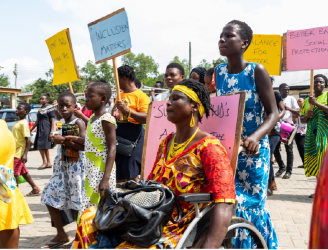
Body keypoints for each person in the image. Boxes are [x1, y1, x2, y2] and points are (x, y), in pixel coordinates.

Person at [73, 79, 236, 249]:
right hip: (151, 214)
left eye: (176, 98)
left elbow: (225, 202)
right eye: (169, 98)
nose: (168, 103)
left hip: (178, 223)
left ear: (194, 106)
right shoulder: (166, 143)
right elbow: (152, 184)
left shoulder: (209, 147)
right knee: (89, 217)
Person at [215, 20, 279, 248]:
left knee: (250, 206)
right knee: (228, 203)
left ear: (244, 43)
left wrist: (255, 138)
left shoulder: (256, 70)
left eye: (228, 36)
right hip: (227, 152)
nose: (222, 39)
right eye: (221, 35)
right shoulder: (219, 72)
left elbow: (274, 113)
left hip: (253, 152)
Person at [41, 92, 86, 248]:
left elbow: (85, 145)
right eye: (61, 106)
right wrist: (56, 139)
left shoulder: (78, 122)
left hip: (76, 169)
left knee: (77, 203)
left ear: (75, 106)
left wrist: (65, 141)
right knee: (48, 195)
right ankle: (61, 234)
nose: (64, 108)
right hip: (62, 168)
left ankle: (80, 238)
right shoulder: (61, 122)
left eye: (68, 105)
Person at [0, 107, 34, 248]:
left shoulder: (22, 123)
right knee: (4, 203)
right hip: (1, 135)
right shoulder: (6, 124)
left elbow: (27, 140)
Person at [80, 81, 117, 214]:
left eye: (90, 96)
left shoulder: (107, 119)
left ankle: (95, 233)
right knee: (89, 203)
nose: (86, 99)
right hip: (90, 169)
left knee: (98, 205)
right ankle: (87, 233)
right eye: (86, 96)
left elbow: (112, 148)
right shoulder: (91, 119)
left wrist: (105, 179)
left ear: (103, 99)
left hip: (101, 169)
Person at [300, 74, 328, 198]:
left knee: (325, 162)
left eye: (321, 82)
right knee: (317, 163)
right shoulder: (307, 101)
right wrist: (307, 116)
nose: (318, 84)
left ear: (325, 85)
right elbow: (302, 120)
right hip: (312, 136)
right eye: (316, 82)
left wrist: (317, 104)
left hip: (326, 135)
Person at [111, 65, 150, 182]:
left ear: (123, 78)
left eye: (116, 78)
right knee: (118, 174)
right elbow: (114, 114)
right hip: (119, 136)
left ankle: (136, 197)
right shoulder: (119, 95)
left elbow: (147, 118)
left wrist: (128, 111)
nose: (115, 82)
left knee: (131, 174)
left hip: (134, 137)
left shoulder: (141, 96)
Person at [12, 103, 41, 196]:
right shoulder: (19, 122)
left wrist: (25, 154)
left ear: (26, 112)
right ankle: (35, 188)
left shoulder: (23, 124)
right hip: (15, 151)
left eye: (19, 108)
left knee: (14, 173)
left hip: (19, 153)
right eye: (16, 108)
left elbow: (28, 139)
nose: (16, 110)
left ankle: (16, 194)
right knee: (23, 172)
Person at [274, 84, 300, 179]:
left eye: (288, 90)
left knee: (289, 150)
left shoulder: (291, 99)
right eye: (285, 90)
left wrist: (287, 108)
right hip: (277, 127)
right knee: (275, 149)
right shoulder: (275, 98)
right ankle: (281, 167)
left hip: (288, 128)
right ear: (280, 90)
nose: (287, 91)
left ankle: (289, 171)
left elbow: (298, 112)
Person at [267, 77, 285, 196]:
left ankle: (270, 183)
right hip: (262, 131)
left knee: (268, 155)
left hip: (274, 131)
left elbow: (283, 110)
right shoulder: (256, 95)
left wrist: (275, 118)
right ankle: (271, 181)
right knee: (266, 157)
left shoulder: (276, 95)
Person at [30, 93, 55, 170]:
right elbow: (37, 120)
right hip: (40, 129)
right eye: (40, 99)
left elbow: (52, 120)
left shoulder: (49, 108)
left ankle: (48, 163)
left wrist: (51, 132)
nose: (41, 100)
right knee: (40, 146)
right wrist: (31, 128)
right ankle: (44, 162)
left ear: (47, 100)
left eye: (42, 99)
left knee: (46, 146)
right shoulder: (40, 109)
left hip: (46, 129)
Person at [295, 98, 306, 169]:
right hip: (298, 130)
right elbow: (294, 121)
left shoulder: (305, 109)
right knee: (298, 147)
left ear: (304, 102)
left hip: (304, 129)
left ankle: (308, 161)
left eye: (300, 101)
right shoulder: (296, 110)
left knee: (301, 145)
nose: (299, 102)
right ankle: (304, 163)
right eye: (298, 101)